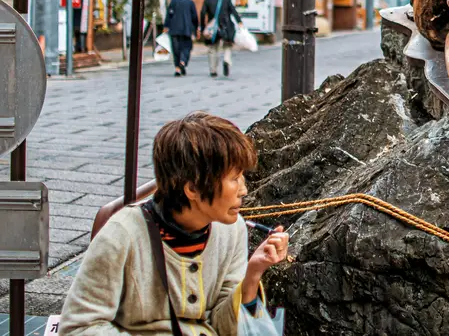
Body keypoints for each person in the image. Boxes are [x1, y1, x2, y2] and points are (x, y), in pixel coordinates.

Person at [60, 112, 289, 334]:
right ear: (192, 188)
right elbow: (78, 327)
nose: (244, 189)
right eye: (234, 178)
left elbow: (223, 326)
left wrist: (253, 274)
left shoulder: (232, 230)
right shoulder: (122, 235)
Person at [200, 0, 243, 78]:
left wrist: (203, 27)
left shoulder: (207, 0)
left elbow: (203, 13)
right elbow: (233, 11)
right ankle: (227, 60)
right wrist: (239, 22)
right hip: (226, 26)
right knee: (227, 45)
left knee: (213, 48)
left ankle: (213, 70)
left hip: (213, 28)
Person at [164, 0, 199, 76]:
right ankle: (183, 62)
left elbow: (169, 14)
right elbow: (194, 17)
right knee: (187, 47)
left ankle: (177, 69)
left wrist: (166, 26)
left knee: (176, 49)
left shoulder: (174, 1)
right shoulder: (190, 2)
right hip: (187, 29)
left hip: (174, 29)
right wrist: (196, 29)